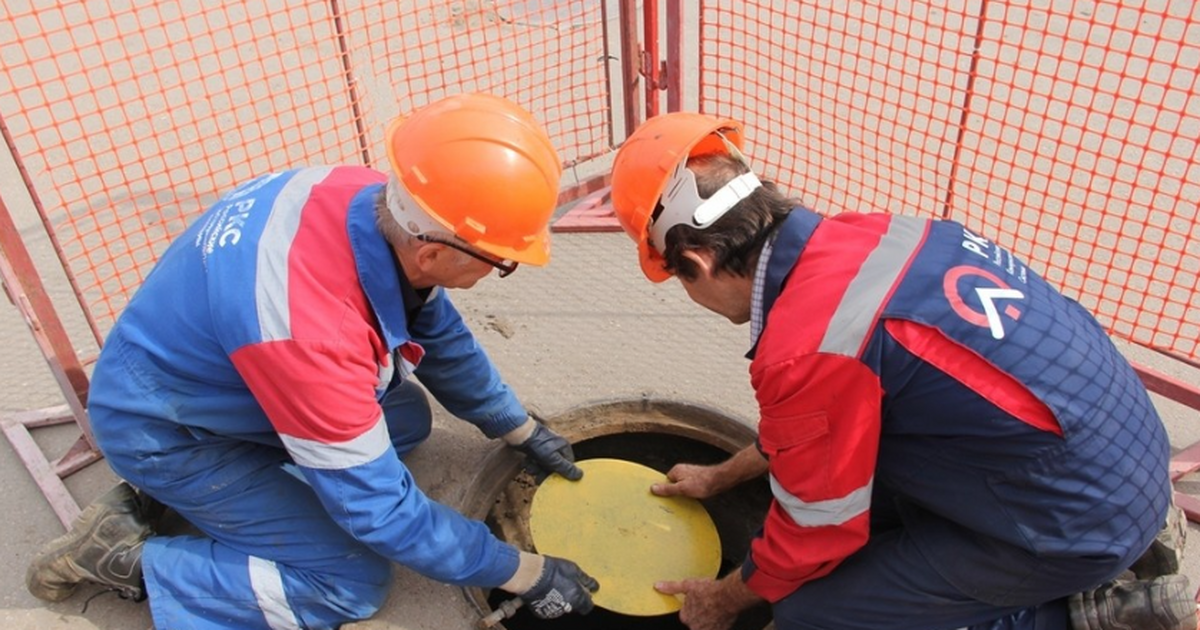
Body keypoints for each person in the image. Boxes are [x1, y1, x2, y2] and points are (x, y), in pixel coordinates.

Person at [26, 93, 599, 629]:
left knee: (404, 417)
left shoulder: (371, 196)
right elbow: (385, 517)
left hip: (203, 375)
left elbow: (434, 326)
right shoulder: (311, 336)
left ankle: (202, 493)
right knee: (350, 579)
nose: (496, 273)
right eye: (502, 262)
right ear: (431, 252)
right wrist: (523, 570)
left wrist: (514, 424)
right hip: (166, 429)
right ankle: (130, 559)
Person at [608, 111, 1195, 630]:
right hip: (1117, 451)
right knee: (855, 523)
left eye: (678, 280)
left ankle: (1092, 613)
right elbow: (825, 416)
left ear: (697, 261)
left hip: (1076, 521)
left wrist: (726, 598)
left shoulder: (808, 345)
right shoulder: (883, 234)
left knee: (812, 612)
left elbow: (817, 530)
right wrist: (722, 476)